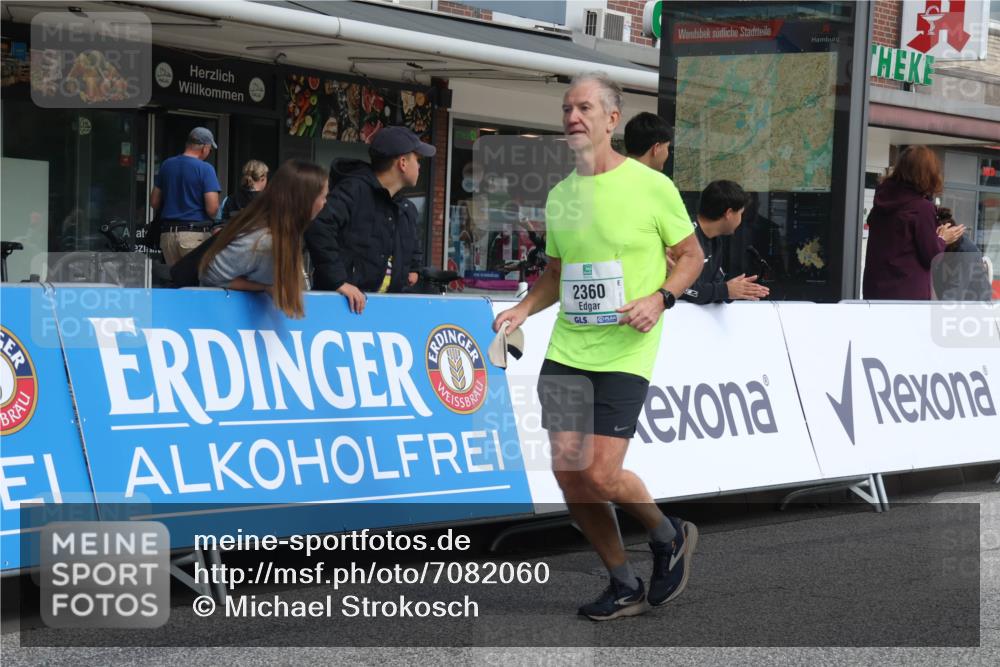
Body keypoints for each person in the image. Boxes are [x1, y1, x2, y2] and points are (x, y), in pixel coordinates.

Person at [493, 72, 705, 621]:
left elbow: (691, 257)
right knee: (570, 474)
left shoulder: (652, 186)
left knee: (602, 474)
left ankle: (666, 533)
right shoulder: (562, 195)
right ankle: (623, 582)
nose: (572, 117)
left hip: (625, 351)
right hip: (568, 350)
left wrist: (660, 299)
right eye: (566, 108)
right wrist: (522, 306)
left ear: (612, 119)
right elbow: (557, 275)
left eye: (585, 107)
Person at [305, 126, 432, 314]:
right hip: (342, 310)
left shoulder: (406, 208)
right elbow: (318, 228)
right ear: (403, 163)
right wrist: (338, 282)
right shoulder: (353, 190)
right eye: (417, 159)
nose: (420, 166)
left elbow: (412, 248)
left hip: (384, 314)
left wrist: (414, 268)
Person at [199, 160, 328, 319]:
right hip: (221, 317)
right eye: (323, 197)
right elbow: (210, 274)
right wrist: (264, 287)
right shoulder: (262, 238)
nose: (324, 203)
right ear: (305, 200)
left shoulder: (279, 231)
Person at [863, 146, 965, 300]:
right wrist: (943, 239)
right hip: (907, 295)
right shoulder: (922, 208)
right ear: (928, 173)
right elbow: (930, 257)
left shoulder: (881, 201)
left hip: (875, 290)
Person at [678, 180, 770, 304]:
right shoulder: (683, 236)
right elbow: (681, 289)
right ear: (729, 213)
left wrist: (735, 289)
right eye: (740, 213)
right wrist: (725, 290)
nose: (741, 219)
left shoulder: (715, 239)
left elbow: (716, 285)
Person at [150, 127, 222, 266]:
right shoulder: (206, 169)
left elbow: (154, 202)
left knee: (177, 282)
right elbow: (212, 209)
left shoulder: (167, 165)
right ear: (204, 148)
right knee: (196, 285)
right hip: (194, 236)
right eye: (210, 149)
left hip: (167, 236)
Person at [931, 206, 992, 301]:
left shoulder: (966, 251)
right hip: (957, 302)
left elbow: (956, 290)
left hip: (974, 307)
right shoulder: (945, 248)